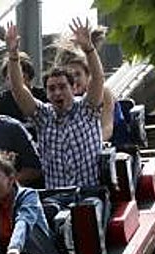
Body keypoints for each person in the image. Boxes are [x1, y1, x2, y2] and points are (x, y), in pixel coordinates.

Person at [6, 19, 104, 190]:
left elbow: (98, 78)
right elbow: (18, 89)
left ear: (74, 88)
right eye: (52, 89)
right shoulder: (43, 116)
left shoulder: (87, 108)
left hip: (90, 193)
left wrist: (88, 48)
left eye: (62, 87)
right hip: (57, 195)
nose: (57, 93)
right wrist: (13, 55)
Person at [0, 50, 46, 124]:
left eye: (18, 77)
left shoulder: (44, 96)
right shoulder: (1, 103)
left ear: (28, 76)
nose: (14, 82)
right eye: (9, 78)